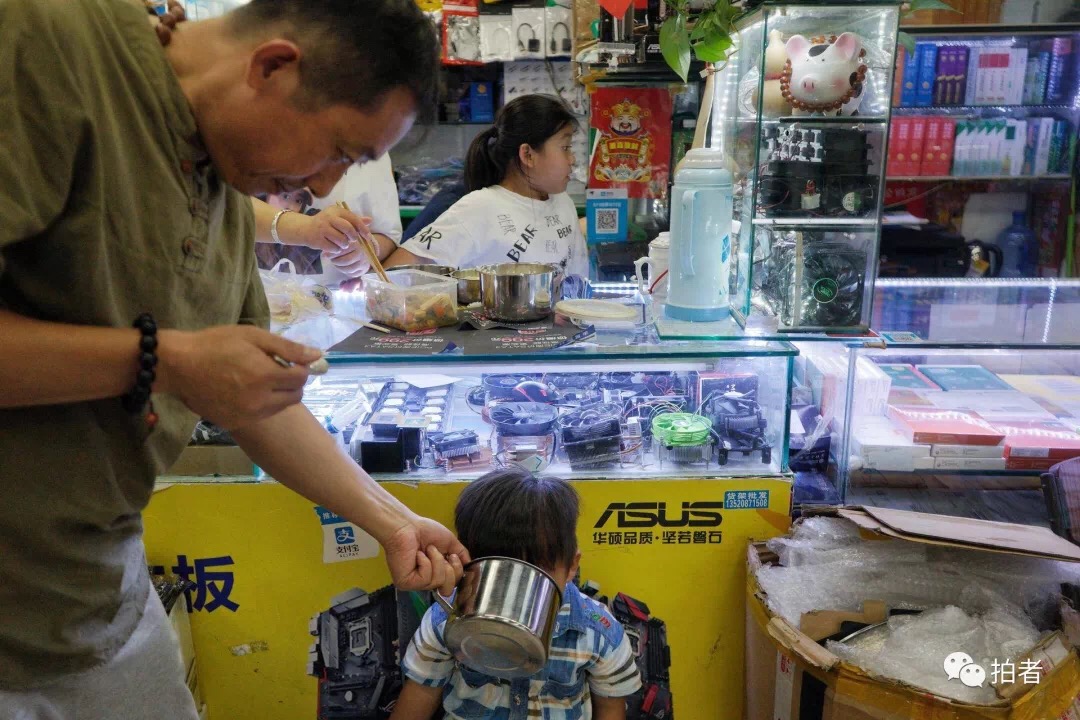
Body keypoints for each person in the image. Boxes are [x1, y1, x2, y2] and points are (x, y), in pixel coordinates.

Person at [0, 1, 466, 717]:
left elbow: (257, 403)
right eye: (339, 150)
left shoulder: (217, 183)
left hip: (92, 597)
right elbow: (186, 366)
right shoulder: (49, 40)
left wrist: (390, 519)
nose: (323, 187)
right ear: (273, 67)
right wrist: (163, 361)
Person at [391, 468, 642, 720]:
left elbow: (610, 707)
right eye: (499, 569)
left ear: (571, 566)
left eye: (537, 570)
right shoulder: (445, 620)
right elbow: (421, 693)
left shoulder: (596, 631)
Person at [385, 95, 589, 276]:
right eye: (565, 147)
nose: (572, 159)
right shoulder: (479, 208)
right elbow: (394, 274)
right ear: (527, 155)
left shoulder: (562, 201)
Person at [252, 155, 403, 286]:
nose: (322, 189)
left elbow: (388, 236)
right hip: (249, 293)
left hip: (336, 300)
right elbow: (239, 208)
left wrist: (366, 252)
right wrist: (306, 228)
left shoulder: (373, 144)